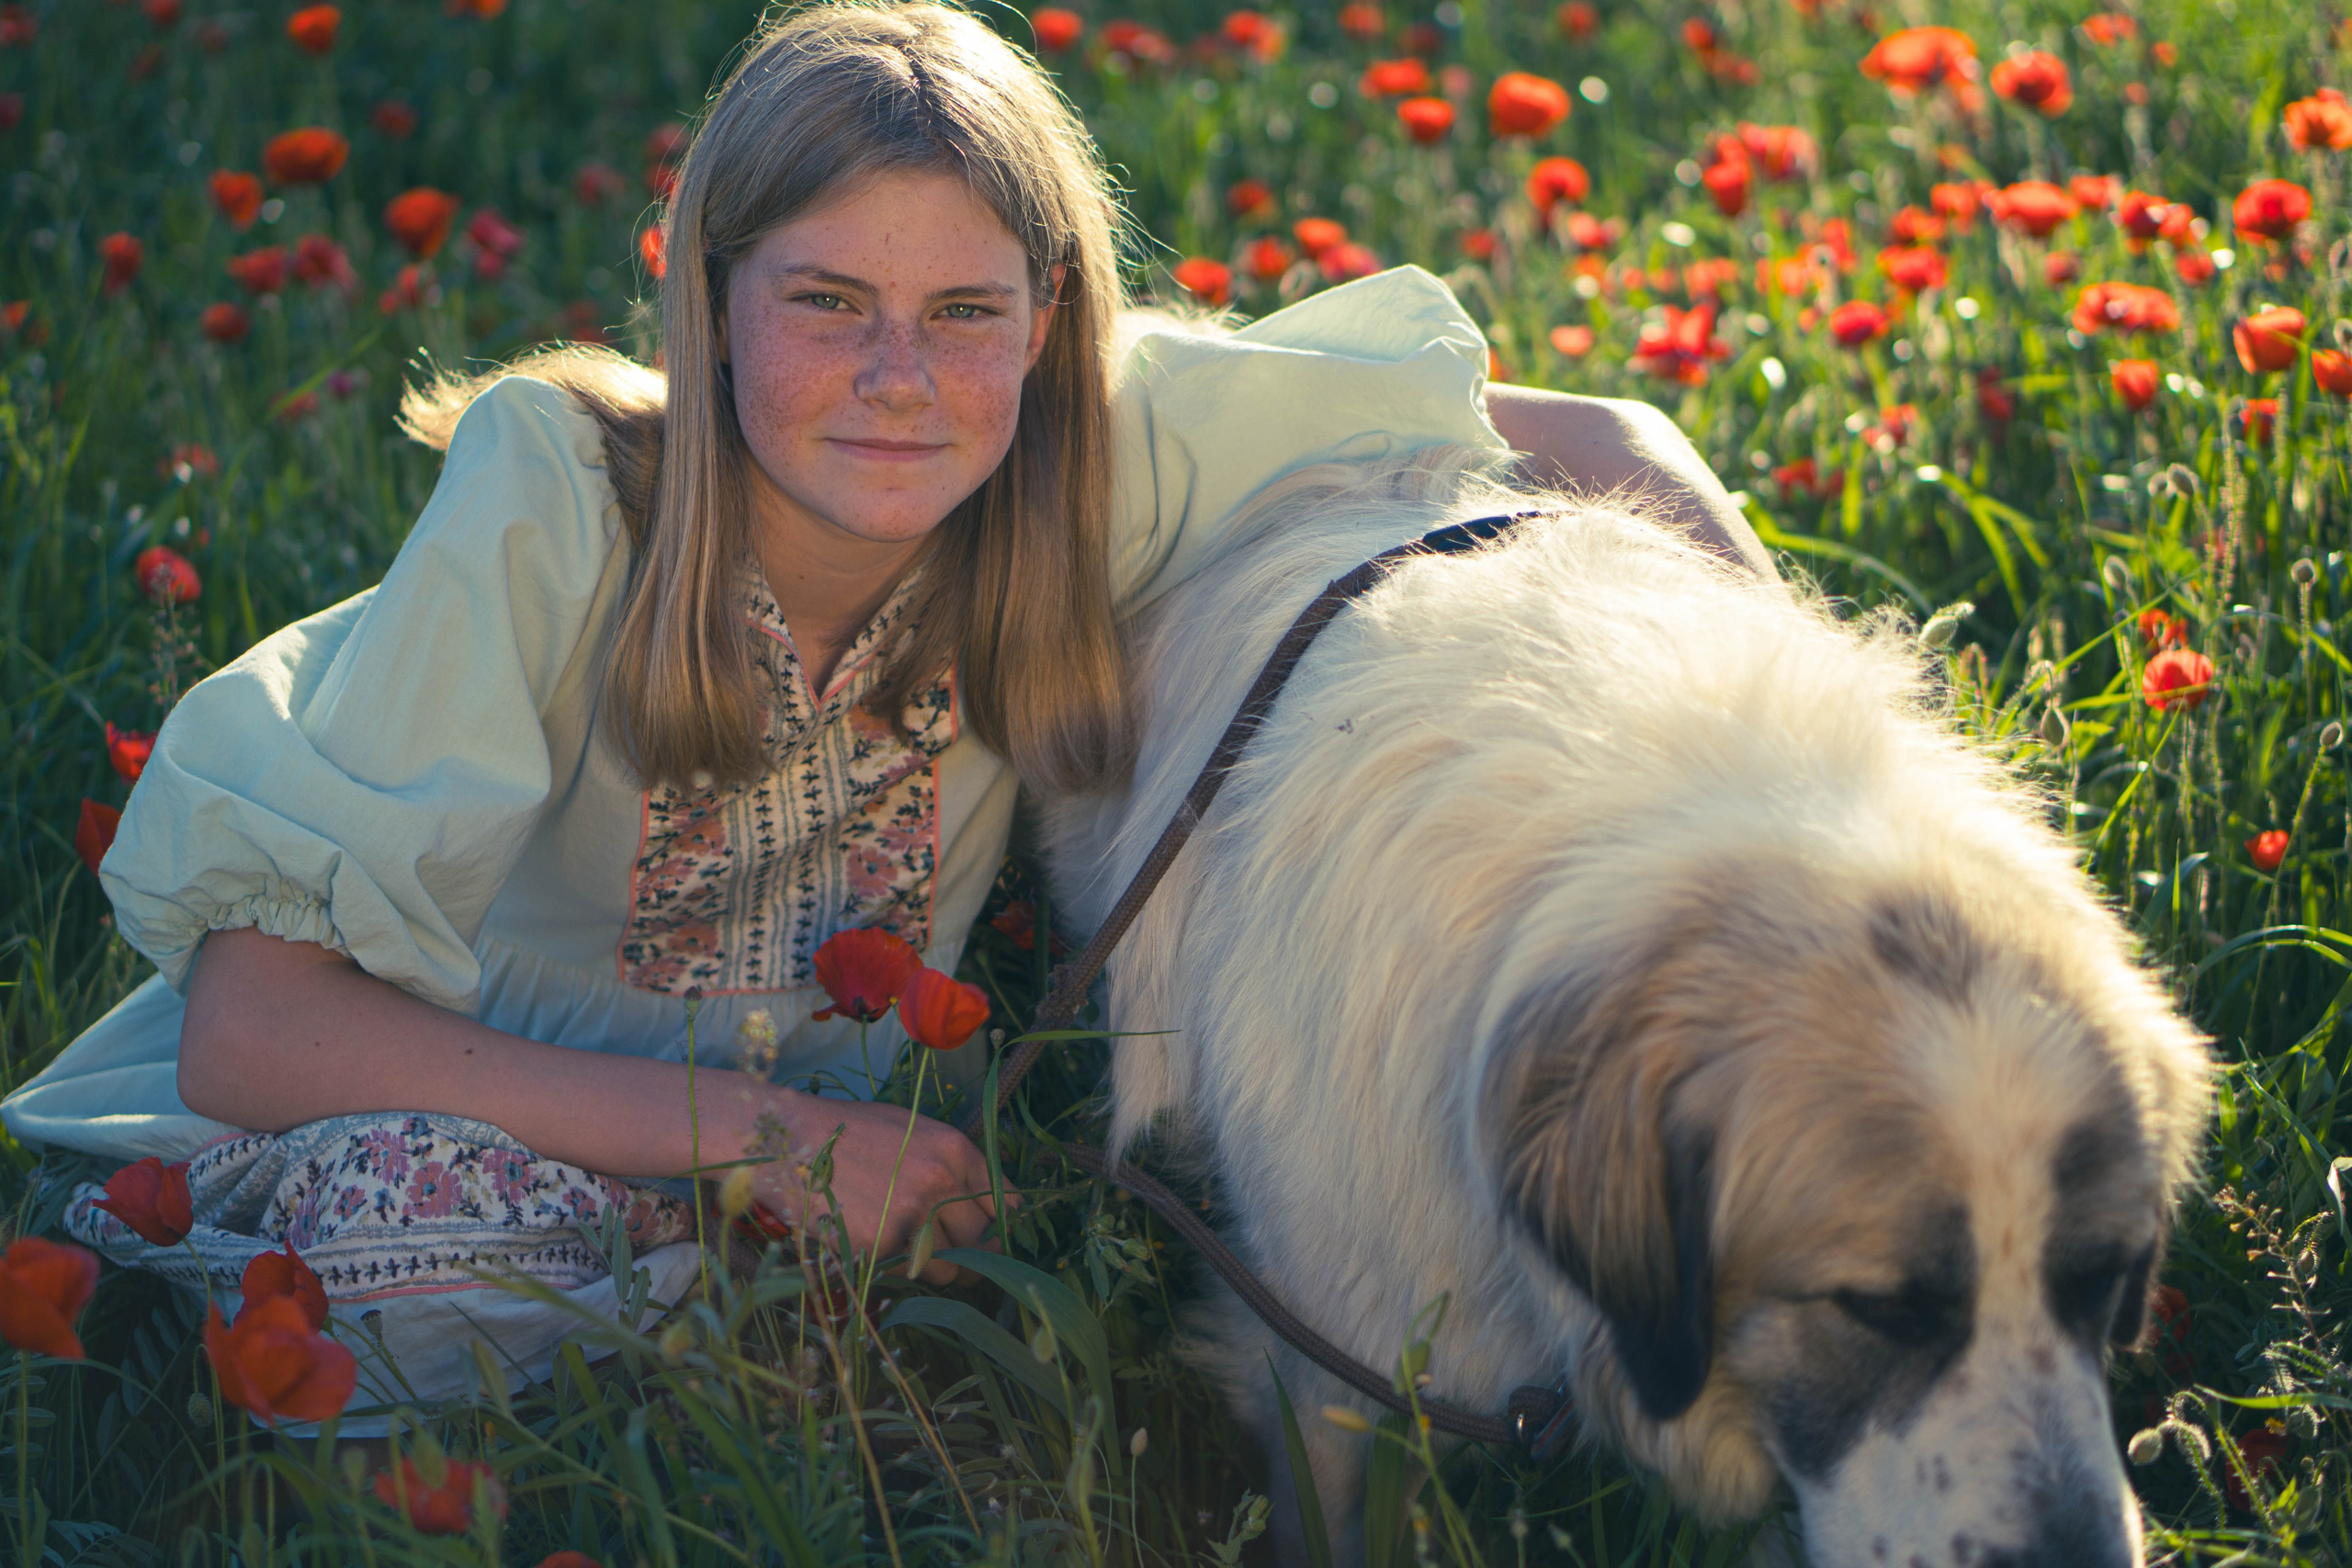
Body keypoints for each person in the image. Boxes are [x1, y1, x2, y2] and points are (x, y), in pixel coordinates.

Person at [0, 1, 1763, 1418]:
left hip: (825, 1157)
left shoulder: (1076, 464)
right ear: (704, 295)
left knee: (899, 1262)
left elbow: (1610, 440)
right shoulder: (558, 500)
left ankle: (752, 1340)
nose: (903, 378)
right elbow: (252, 1033)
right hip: (438, 1104)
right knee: (436, 1251)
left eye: (966, 312)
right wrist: (780, 1140)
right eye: (827, 302)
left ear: (1049, 313)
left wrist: (1786, 769)